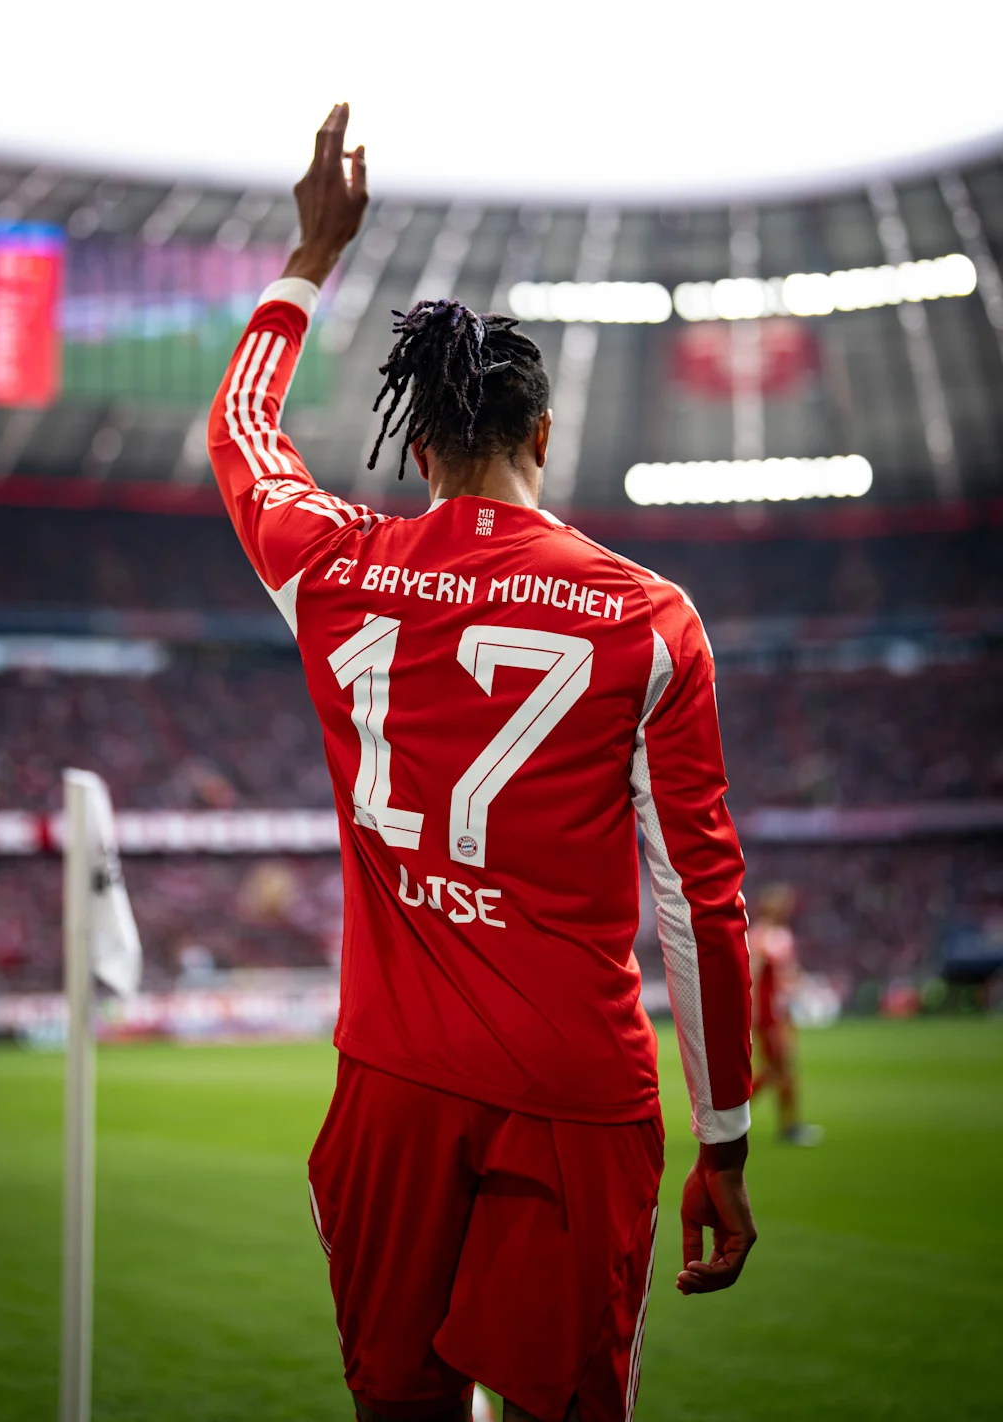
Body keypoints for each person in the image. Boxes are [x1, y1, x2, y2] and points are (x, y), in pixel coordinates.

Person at [208, 106, 756, 1422]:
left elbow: (240, 432)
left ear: (415, 451)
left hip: (392, 1085)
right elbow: (700, 900)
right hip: (574, 1090)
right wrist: (726, 1137)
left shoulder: (336, 569)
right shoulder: (649, 618)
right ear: (544, 438)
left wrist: (311, 257)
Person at [748, 885, 823, 1146]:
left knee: (779, 1070)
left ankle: (787, 1125)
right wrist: (754, 1011)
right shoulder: (761, 936)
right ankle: (735, 1114)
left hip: (779, 1012)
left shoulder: (779, 935)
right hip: (768, 1014)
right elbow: (754, 975)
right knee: (778, 1070)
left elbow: (787, 974)